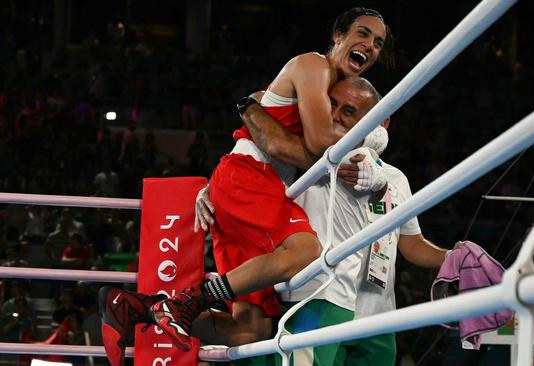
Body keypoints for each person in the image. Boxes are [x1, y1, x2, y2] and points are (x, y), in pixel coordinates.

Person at [100, 7, 393, 365]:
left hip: (248, 186)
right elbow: (318, 142)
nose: (370, 45)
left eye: (378, 42)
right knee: (306, 251)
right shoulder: (313, 66)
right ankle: (185, 302)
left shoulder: (327, 90)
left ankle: (136, 309)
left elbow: (263, 103)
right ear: (337, 36)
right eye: (362, 34)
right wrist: (373, 136)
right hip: (250, 180)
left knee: (249, 329)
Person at [191, 76, 450, 366]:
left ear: (381, 121)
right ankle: (173, 306)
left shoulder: (396, 178)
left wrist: (451, 257)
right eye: (332, 106)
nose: (336, 116)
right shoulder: (308, 163)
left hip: (377, 315)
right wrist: (213, 189)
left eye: (348, 111)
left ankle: (170, 307)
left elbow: (412, 244)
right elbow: (256, 171)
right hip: (316, 299)